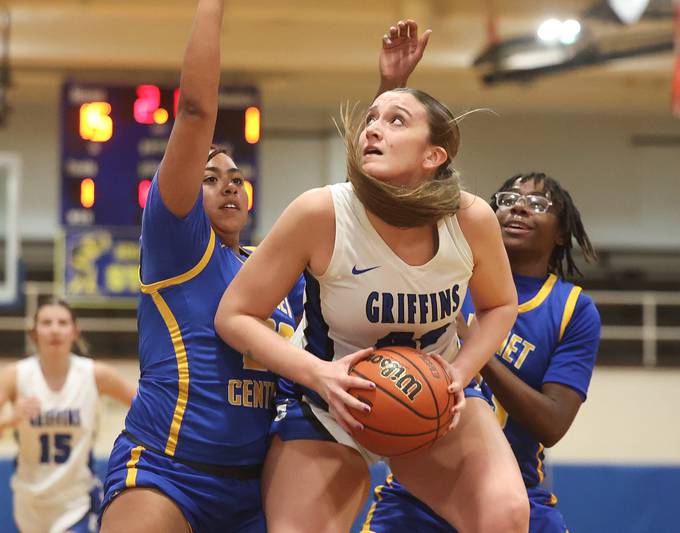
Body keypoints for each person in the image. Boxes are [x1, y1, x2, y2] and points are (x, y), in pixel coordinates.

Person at [214, 25, 532, 533]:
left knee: (508, 516)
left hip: (433, 397)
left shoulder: (470, 218)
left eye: (395, 121)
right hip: (329, 405)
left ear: (435, 156)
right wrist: (318, 375)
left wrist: (459, 375)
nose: (372, 130)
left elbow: (499, 307)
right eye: (370, 120)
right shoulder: (320, 212)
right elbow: (234, 315)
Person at [96, 1, 299, 531]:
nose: (228, 183)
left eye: (235, 176)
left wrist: (386, 91)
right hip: (167, 474)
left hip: (257, 486)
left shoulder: (274, 270)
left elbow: (350, 223)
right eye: (210, 177)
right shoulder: (178, 246)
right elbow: (194, 111)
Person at [361, 171, 602, 533]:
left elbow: (552, 423)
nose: (518, 208)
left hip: (517, 495)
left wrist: (478, 348)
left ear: (561, 232)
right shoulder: (444, 279)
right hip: (418, 493)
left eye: (537, 204)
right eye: (506, 200)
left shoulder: (572, 309)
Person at [0, 298, 135, 533]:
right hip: (28, 501)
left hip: (76, 501)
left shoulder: (94, 374)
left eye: (62, 323)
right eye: (46, 323)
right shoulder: (15, 376)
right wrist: (11, 419)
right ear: (34, 332)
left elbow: (145, 406)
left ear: (75, 331)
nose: (54, 329)